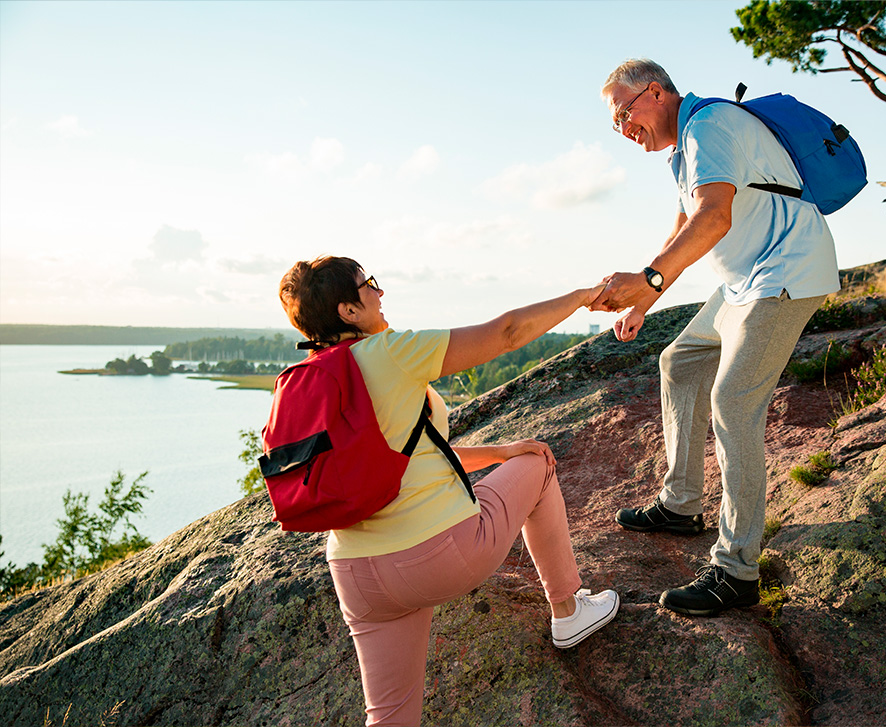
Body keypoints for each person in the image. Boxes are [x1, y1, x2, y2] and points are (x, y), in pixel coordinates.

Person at [277, 256, 619, 726]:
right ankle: (567, 610)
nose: (380, 292)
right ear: (348, 311)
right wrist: (583, 296)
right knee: (538, 464)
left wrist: (498, 451)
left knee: (390, 717)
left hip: (356, 575)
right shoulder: (390, 352)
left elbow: (399, 459)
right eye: (369, 284)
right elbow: (506, 334)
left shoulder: (307, 380)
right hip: (437, 557)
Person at [593, 59, 840, 617]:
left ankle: (735, 569)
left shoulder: (708, 125)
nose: (623, 131)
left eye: (622, 115)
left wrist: (649, 278)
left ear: (654, 93)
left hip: (785, 274)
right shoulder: (685, 147)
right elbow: (682, 228)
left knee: (733, 401)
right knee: (680, 361)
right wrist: (644, 298)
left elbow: (713, 217)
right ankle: (681, 506)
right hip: (745, 281)